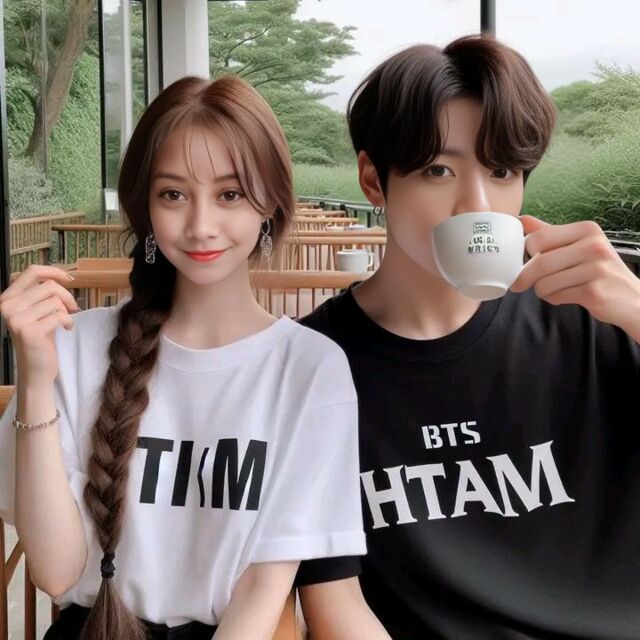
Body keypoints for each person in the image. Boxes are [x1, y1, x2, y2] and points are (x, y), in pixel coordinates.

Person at [0, 75, 388, 640]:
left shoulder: (309, 368)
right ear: (146, 208)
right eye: (173, 195)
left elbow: (262, 592)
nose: (201, 226)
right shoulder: (74, 348)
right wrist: (35, 380)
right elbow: (57, 572)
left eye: (230, 195)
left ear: (269, 205)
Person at [294, 35, 640, 639]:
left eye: (501, 171)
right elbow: (331, 599)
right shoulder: (311, 366)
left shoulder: (594, 319)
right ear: (373, 180)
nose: (476, 205)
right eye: (438, 170)